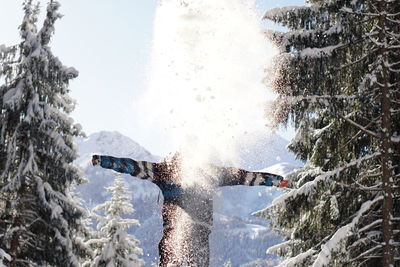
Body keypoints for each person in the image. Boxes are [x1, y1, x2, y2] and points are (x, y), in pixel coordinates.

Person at [91, 153, 288, 267]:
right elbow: (130, 166)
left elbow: (243, 177)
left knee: (178, 256)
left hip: (192, 233)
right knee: (175, 255)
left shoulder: (201, 172)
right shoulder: (166, 170)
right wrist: (102, 160)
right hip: (181, 233)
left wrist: (275, 181)